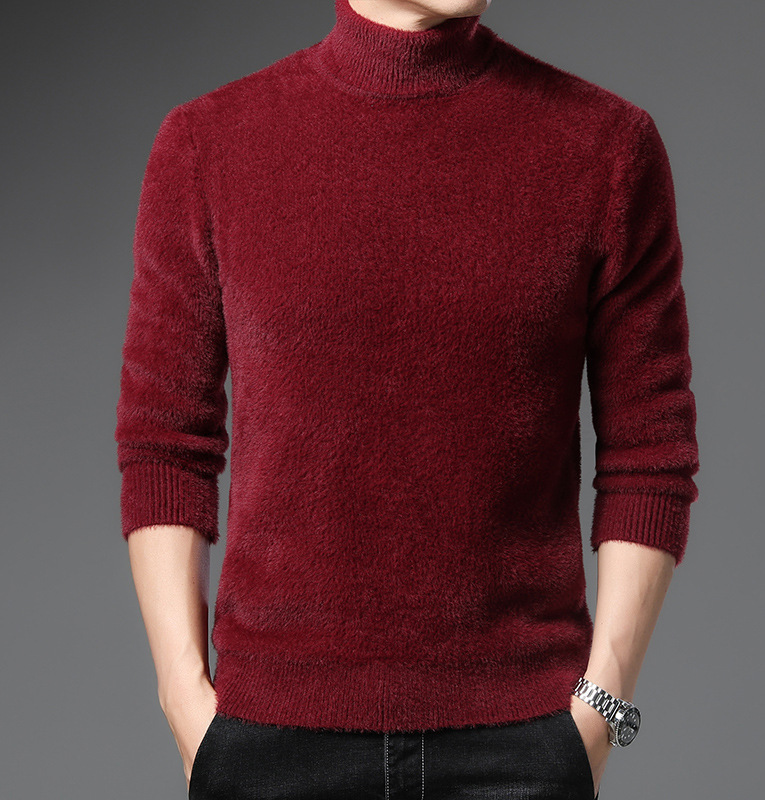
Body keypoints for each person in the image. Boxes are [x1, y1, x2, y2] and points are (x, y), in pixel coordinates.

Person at [115, 0, 700, 797]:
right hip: (271, 743)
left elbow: (650, 449)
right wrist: (184, 697)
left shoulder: (606, 147)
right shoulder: (207, 145)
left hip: (520, 745)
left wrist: (601, 705)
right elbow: (165, 442)